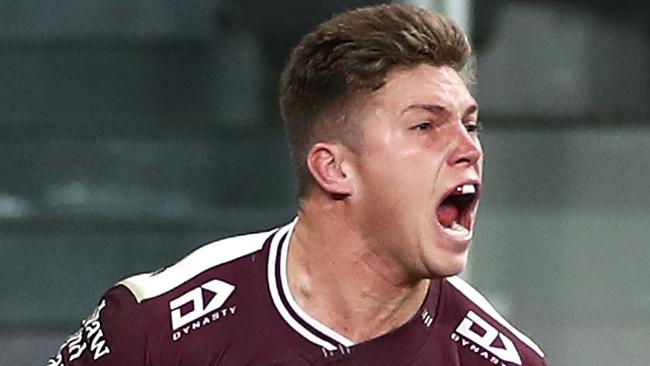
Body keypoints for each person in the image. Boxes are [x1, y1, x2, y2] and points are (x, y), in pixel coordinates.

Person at [47, 4, 546, 365]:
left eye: (470, 125)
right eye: (425, 126)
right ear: (334, 168)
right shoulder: (160, 329)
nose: (469, 148)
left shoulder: (498, 357)